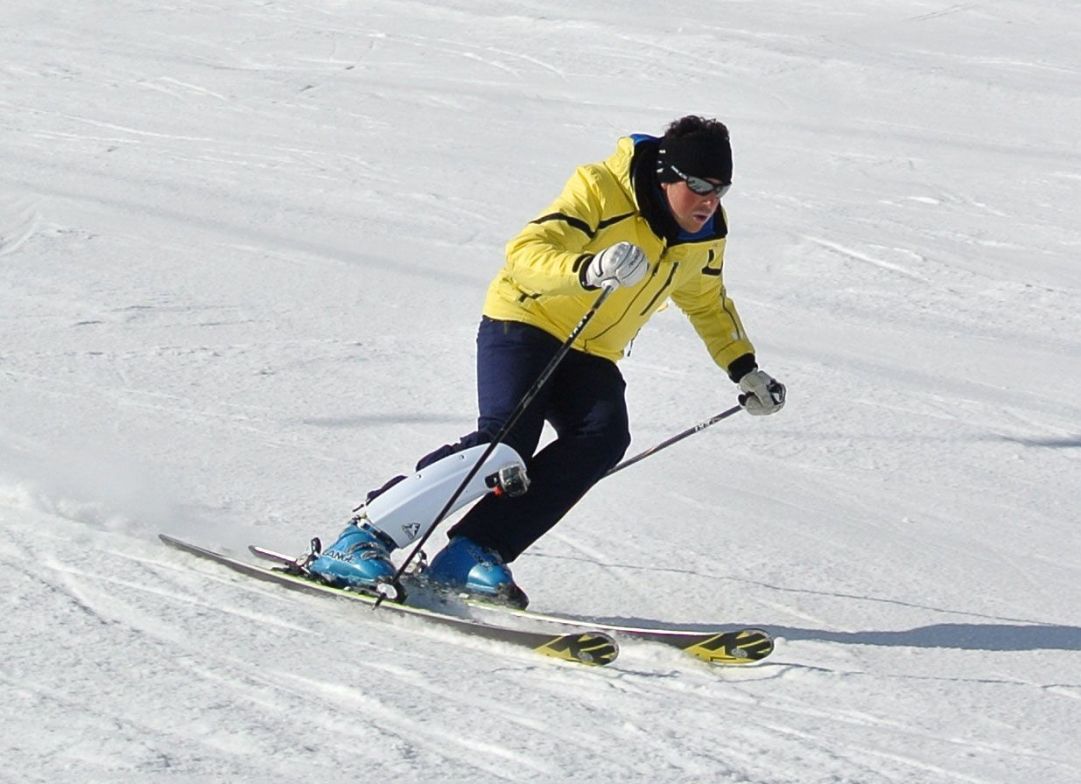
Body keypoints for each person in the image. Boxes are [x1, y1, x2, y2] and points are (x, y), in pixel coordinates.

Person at [307, 115, 786, 608]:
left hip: (591, 349)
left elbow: (706, 301)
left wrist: (742, 366)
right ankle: (363, 537)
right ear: (666, 175)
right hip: (526, 320)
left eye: (720, 190)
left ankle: (473, 550)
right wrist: (586, 268)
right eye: (699, 186)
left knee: (601, 438)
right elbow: (525, 253)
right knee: (505, 442)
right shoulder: (600, 188)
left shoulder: (705, 233)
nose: (709, 202)